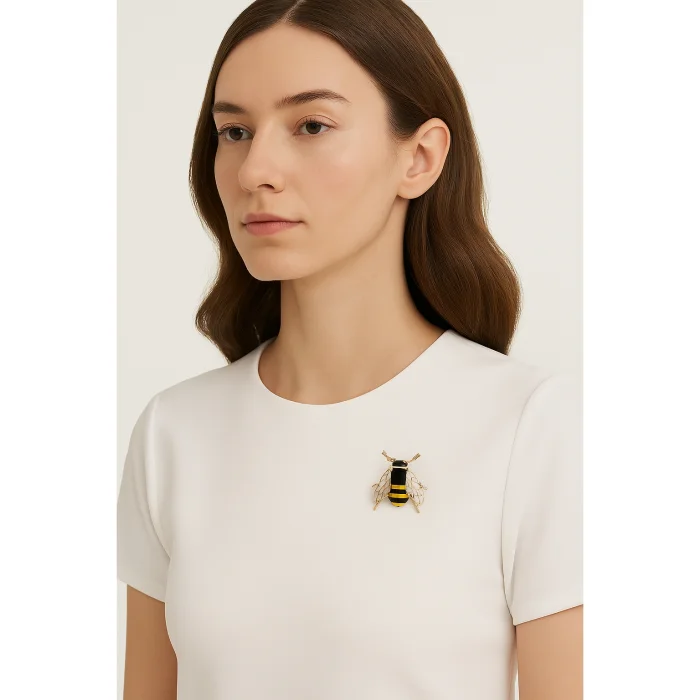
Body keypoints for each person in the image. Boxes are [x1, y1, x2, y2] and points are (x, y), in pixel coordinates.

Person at [117, 2, 583, 699]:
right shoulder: (173, 433)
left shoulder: (531, 427)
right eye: (235, 131)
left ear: (419, 158)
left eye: (311, 125)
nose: (254, 170)